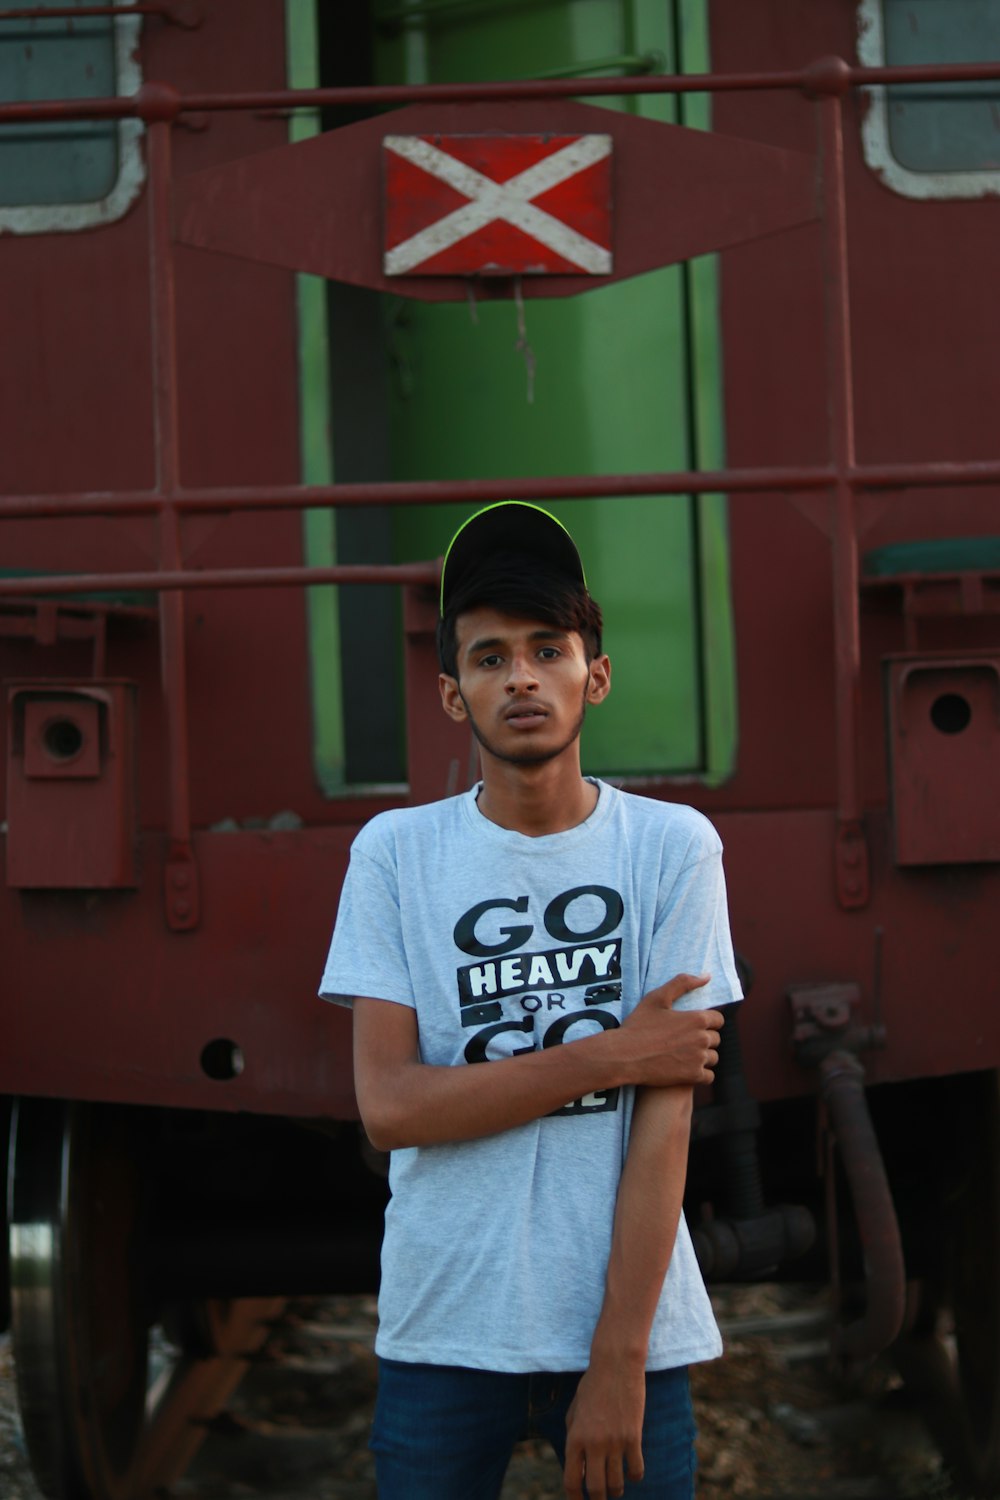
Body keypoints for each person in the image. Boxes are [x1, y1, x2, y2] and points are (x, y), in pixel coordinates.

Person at [319, 501, 743, 1500]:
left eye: (546, 651)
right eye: (489, 657)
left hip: (626, 1333)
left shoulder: (673, 850)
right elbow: (390, 1109)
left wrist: (616, 1363)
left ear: (592, 676)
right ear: (452, 695)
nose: (520, 677)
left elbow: (662, 1128)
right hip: (443, 1326)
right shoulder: (395, 855)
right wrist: (611, 1056)